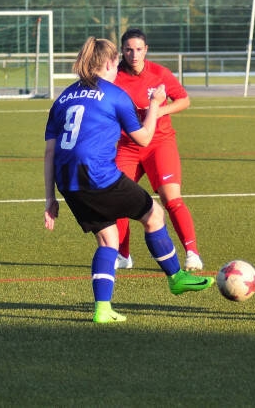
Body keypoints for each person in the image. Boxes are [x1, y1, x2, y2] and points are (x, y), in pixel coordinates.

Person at [43, 37, 213, 324]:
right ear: (110, 63)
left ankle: (102, 309)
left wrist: (50, 199)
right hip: (97, 173)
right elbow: (145, 138)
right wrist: (155, 104)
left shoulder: (63, 98)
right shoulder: (114, 94)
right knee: (154, 213)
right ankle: (176, 277)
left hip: (67, 181)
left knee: (108, 239)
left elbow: (49, 151)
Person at [113, 28, 203, 272]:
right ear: (122, 50)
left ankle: (192, 253)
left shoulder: (159, 73)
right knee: (116, 200)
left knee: (171, 199)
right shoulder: (114, 76)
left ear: (146, 50)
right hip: (129, 146)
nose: (134, 54)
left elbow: (184, 100)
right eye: (129, 49)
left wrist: (158, 111)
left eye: (139, 49)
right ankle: (123, 256)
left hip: (159, 143)